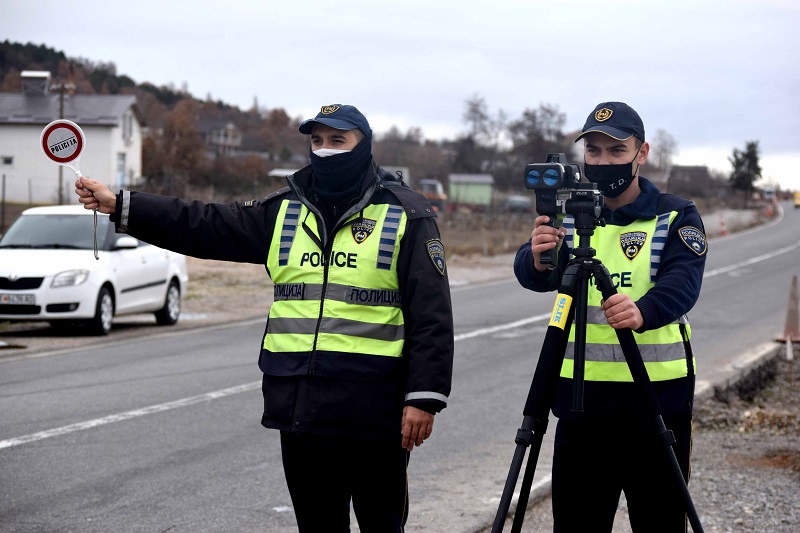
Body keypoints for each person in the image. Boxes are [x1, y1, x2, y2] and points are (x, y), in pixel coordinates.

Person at [76, 104, 454, 533]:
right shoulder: (282, 211)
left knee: (382, 526)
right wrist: (122, 205)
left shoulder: (407, 212)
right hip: (300, 407)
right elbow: (201, 223)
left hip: (376, 411)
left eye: (337, 141)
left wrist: (424, 397)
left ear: (363, 146)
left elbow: (432, 315)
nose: (325, 150)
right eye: (317, 141)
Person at [514, 101, 707, 532]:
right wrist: (539, 257)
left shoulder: (675, 214)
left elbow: (684, 282)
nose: (603, 161)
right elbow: (534, 270)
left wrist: (644, 311)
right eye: (594, 152)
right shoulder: (571, 213)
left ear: (642, 153)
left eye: (616, 151)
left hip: (656, 403)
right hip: (581, 405)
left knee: (660, 522)